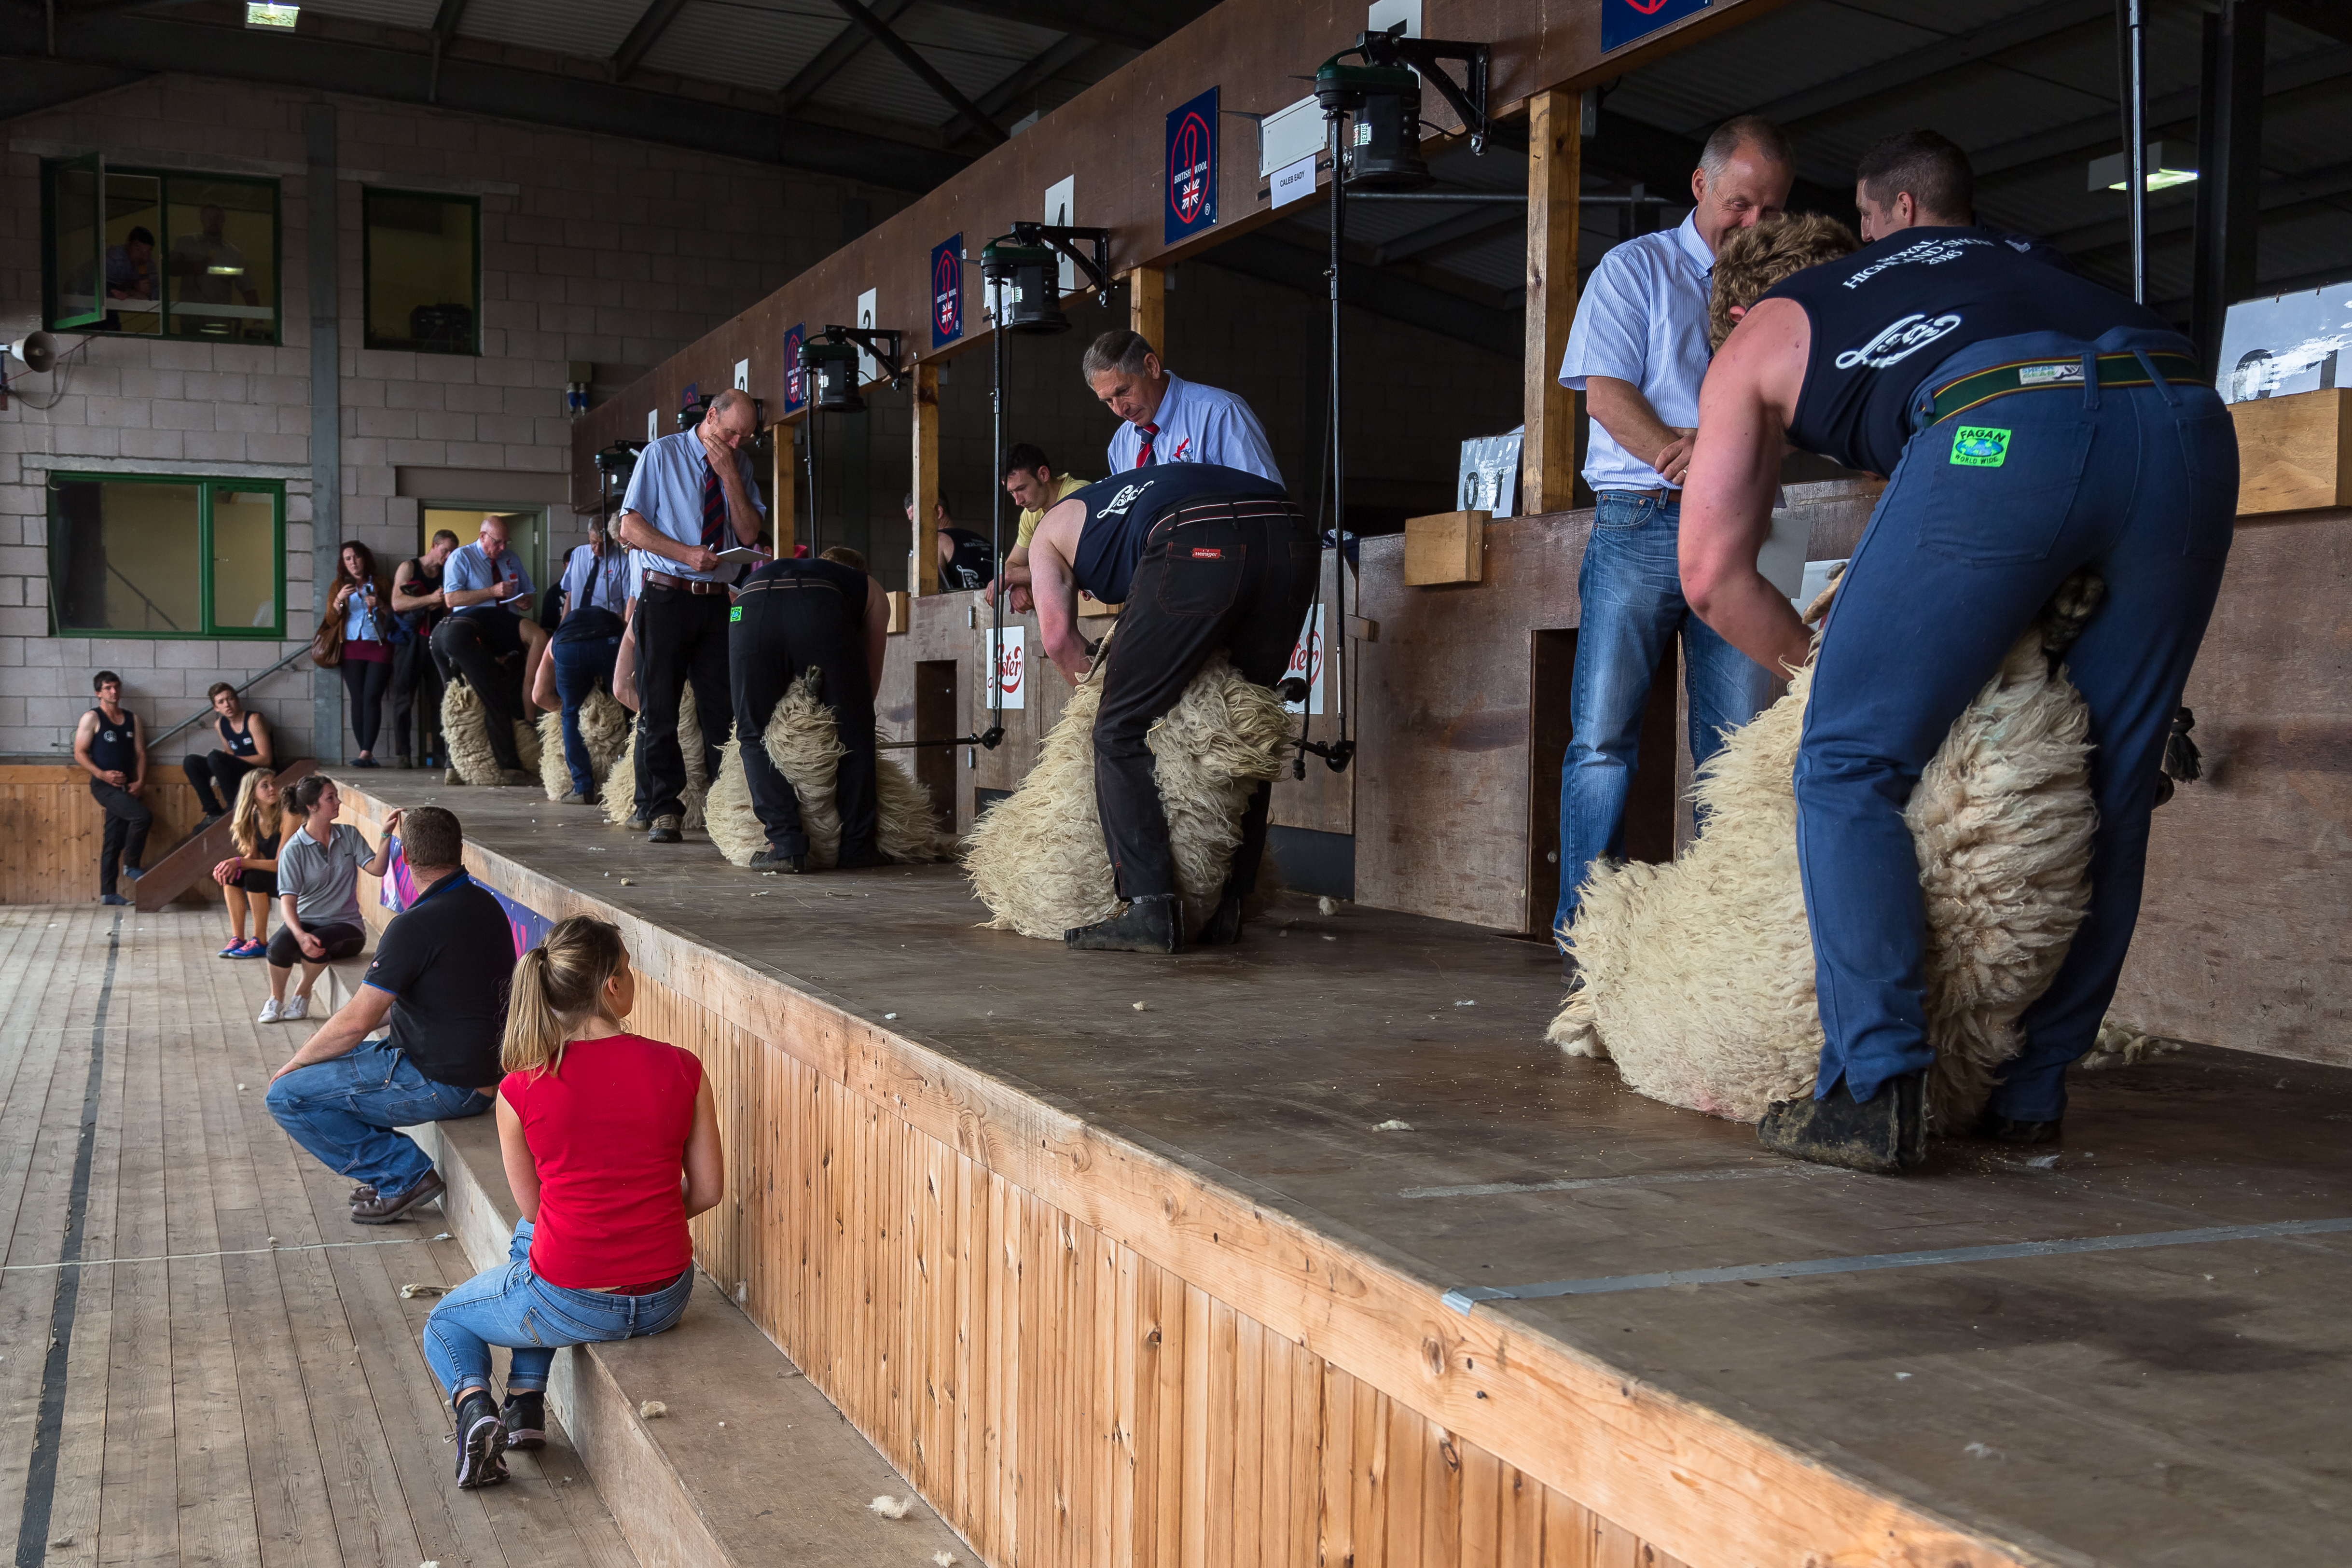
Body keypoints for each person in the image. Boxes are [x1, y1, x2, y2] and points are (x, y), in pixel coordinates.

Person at [1678, 129, 2236, 1174]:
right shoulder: (1983, 256)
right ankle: (2030, 1091)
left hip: (2003, 426)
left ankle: (1876, 1085)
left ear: (1740, 315)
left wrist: (1817, 671)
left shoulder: (1757, 338)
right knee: (2111, 778)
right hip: (2186, 423)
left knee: (1848, 763)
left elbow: (1711, 576)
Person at [1550, 114, 1797, 984]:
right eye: (1739, 204)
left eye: (1770, 210)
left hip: (1741, 526)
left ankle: (1719, 933)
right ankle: (1586, 935)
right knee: (1602, 739)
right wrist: (1684, 448)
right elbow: (1605, 394)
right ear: (1698, 187)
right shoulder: (1634, 270)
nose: (1754, 226)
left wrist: (1731, 453)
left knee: (1736, 740)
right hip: (1638, 519)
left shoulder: (1779, 290)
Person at [418, 914, 720, 1487]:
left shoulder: (520, 1088)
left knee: (445, 1322)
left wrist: (598, 1223)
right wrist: (640, 1216)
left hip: (572, 1300)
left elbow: (535, 1208)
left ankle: (476, 1411)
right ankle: (526, 1406)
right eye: (629, 971)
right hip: (666, 1296)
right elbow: (706, 1191)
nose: (633, 980)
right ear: (611, 986)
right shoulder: (683, 1066)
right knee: (533, 1243)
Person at [1026, 463, 1313, 953]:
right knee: (1247, 716)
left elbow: (1058, 641)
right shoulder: (1120, 500)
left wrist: (1094, 705)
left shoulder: (1043, 539)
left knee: (1117, 729)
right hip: (1293, 533)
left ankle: (1150, 908)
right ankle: (1230, 906)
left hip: (1198, 539)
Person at [266, 805, 512, 1229]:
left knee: (287, 1096)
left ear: (404, 857)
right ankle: (392, 1170)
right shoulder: (485, 905)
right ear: (459, 850)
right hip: (477, 1071)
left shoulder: (415, 925)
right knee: (327, 1069)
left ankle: (404, 1175)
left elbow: (357, 1022)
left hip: (447, 1083)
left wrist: (295, 1063)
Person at [614, 388, 768, 844]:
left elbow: (749, 531)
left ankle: (724, 807)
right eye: (731, 432)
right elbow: (630, 526)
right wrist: (686, 553)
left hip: (717, 599)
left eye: (746, 436)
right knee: (659, 706)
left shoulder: (739, 465)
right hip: (666, 595)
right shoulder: (661, 454)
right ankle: (663, 809)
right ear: (711, 416)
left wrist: (729, 475)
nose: (737, 442)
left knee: (722, 708)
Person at [730, 545, 890, 872]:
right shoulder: (871, 590)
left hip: (748, 604)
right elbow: (869, 681)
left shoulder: (791, 571)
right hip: (821, 607)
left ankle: (784, 844)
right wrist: (846, 715)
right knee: (856, 728)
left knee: (752, 732)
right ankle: (857, 847)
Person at [260, 775, 393, 1024]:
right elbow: (287, 903)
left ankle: (302, 992)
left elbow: (377, 868)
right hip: (308, 921)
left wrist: (385, 836)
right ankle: (276, 999)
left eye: (336, 796)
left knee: (319, 941)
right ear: (312, 807)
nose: (338, 802)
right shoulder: (294, 849)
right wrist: (300, 934)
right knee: (277, 947)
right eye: (330, 798)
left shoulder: (349, 835)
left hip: (348, 928)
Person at [1083, 331, 1281, 484]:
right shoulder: (1121, 443)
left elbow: (1267, 501)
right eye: (1108, 401)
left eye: (1124, 391)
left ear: (1152, 367)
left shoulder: (1221, 414)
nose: (1119, 410)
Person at [430, 515, 542, 787]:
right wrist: (492, 591)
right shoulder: (461, 557)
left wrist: (525, 599)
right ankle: (500, 767)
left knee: (501, 696)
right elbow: (452, 598)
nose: (502, 548)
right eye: (497, 542)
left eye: (506, 542)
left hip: (499, 634)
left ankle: (509, 759)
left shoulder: (511, 559)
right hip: (469, 634)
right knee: (462, 702)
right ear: (482, 537)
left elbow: (526, 593)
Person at [531, 517, 631, 802]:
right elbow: (572, 598)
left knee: (572, 713)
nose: (597, 548)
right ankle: (610, 776)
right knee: (626, 700)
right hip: (590, 634)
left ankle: (587, 783)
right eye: (593, 542)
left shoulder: (623, 560)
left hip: (598, 633)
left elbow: (627, 605)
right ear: (587, 538)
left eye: (603, 543)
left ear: (612, 540)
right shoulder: (577, 556)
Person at [980, 443, 1089, 614]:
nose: (1018, 501)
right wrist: (1016, 586)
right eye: (1012, 493)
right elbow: (1013, 562)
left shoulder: (1077, 497)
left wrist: (1011, 577)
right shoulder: (1031, 513)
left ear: (1044, 474)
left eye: (1022, 489)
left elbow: (1074, 569)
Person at [74, 670, 149, 907]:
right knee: (143, 816)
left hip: (127, 785)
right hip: (104, 786)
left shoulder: (132, 718)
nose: (114, 692)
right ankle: (132, 865)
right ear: (98, 693)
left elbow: (140, 753)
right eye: (108, 688)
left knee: (113, 839)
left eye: (116, 687)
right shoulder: (92, 718)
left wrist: (140, 781)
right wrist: (102, 775)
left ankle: (108, 893)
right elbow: (79, 752)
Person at [392, 529, 459, 768]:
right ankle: (404, 755)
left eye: (452, 552)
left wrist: (441, 604)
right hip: (409, 640)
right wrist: (429, 599)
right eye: (445, 550)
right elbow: (397, 602)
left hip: (436, 639)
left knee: (439, 699)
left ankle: (441, 756)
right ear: (434, 546)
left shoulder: (448, 572)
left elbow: (451, 608)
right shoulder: (409, 567)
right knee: (403, 697)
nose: (448, 556)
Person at [211, 766, 292, 959]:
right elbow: (252, 858)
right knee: (233, 875)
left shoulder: (289, 814)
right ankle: (238, 938)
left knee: (254, 877)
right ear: (253, 794)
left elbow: (279, 864)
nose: (273, 788)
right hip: (278, 877)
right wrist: (230, 866)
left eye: (274, 783)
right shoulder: (254, 816)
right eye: (265, 786)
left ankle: (260, 941)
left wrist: (239, 862)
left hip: (296, 879)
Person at [330, 540, 398, 768]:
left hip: (379, 646)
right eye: (348, 559)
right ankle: (365, 753)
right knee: (357, 699)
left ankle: (366, 752)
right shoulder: (339, 585)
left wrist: (379, 603)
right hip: (351, 647)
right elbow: (330, 620)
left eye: (357, 557)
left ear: (365, 559)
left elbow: (395, 617)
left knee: (372, 697)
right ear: (343, 563)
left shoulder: (381, 582)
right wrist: (339, 599)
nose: (353, 563)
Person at [181, 681, 274, 822]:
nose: (227, 705)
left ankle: (233, 807)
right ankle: (213, 811)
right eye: (221, 702)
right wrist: (226, 762)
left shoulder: (253, 719)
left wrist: (231, 760)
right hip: (238, 768)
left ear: (237, 700)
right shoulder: (220, 725)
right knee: (191, 762)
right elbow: (229, 753)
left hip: (258, 770)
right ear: (216, 708)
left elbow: (266, 760)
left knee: (215, 757)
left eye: (230, 699)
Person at [166, 202, 260, 337]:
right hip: (190, 317)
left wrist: (259, 319)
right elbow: (168, 268)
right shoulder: (186, 243)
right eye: (209, 217)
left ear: (223, 221)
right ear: (201, 220)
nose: (213, 221)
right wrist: (191, 267)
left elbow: (248, 287)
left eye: (217, 218)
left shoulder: (233, 254)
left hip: (219, 320)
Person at [904, 489, 996, 590]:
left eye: (916, 519)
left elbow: (927, 595)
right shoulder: (981, 539)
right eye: (912, 521)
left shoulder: (935, 541)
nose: (914, 528)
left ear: (938, 513)